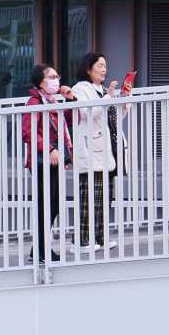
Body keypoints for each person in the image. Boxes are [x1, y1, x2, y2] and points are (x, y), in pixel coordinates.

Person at [70, 52, 130, 253]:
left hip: (106, 150)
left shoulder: (102, 90)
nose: (104, 69)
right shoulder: (80, 89)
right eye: (100, 65)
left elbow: (113, 118)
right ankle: (80, 241)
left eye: (105, 65)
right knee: (88, 198)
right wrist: (108, 97)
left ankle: (101, 238)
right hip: (89, 149)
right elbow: (87, 112)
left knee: (104, 197)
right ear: (89, 68)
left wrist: (124, 99)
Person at [21, 62, 73, 262]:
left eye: (56, 76)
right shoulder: (34, 103)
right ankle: (41, 251)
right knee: (48, 204)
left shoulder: (51, 100)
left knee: (54, 204)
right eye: (51, 77)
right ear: (40, 82)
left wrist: (70, 100)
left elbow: (67, 122)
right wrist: (49, 149)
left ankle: (39, 249)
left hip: (55, 159)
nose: (56, 80)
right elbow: (28, 133)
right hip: (42, 160)